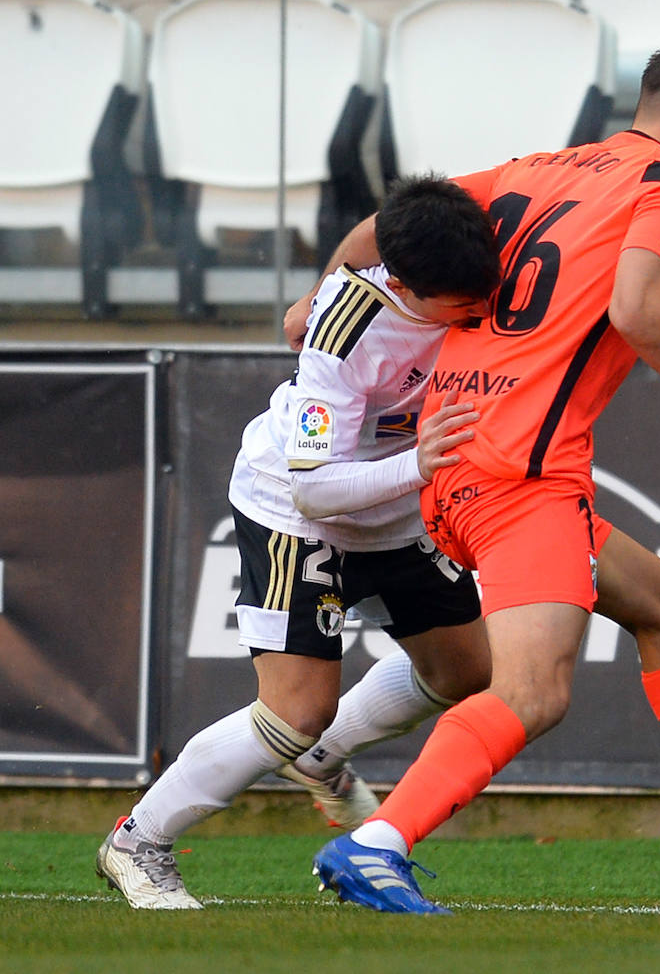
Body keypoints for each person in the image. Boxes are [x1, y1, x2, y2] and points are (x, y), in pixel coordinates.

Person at [302, 34, 660, 915]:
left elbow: (390, 226)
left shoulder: (539, 166)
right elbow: (640, 309)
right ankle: (377, 842)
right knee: (533, 689)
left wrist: (326, 296)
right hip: (521, 471)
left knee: (658, 601)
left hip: (453, 450)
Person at [95, 176, 502, 909]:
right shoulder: (344, 332)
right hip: (299, 510)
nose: (478, 307)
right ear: (406, 284)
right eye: (460, 301)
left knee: (469, 669)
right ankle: (138, 840)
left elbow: (385, 221)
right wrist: (420, 462)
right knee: (292, 711)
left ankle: (318, 756)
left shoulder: (465, 255)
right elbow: (315, 484)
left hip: (397, 510)